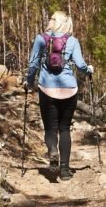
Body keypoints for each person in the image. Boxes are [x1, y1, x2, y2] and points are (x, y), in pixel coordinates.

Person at [26, 11, 93, 182]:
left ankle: (53, 150)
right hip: (69, 89)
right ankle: (64, 171)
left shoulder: (41, 39)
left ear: (56, 22)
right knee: (64, 129)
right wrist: (88, 70)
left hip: (47, 89)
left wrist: (29, 82)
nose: (49, 20)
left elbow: (33, 64)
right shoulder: (72, 41)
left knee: (50, 128)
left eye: (51, 18)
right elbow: (80, 64)